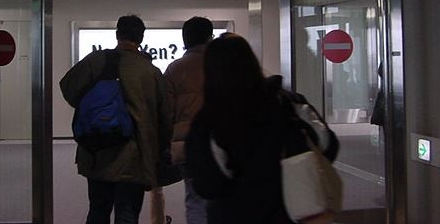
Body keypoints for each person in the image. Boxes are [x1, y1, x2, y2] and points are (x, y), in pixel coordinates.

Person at [185, 33, 337, 224]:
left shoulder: (208, 121)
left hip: (233, 215)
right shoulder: (288, 103)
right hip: (292, 212)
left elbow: (209, 185)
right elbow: (328, 145)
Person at [60, 15, 171, 224]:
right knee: (127, 214)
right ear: (141, 38)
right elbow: (165, 118)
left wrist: (94, 108)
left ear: (117, 34)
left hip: (96, 148)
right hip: (133, 157)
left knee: (98, 210)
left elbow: (68, 88)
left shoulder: (95, 60)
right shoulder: (151, 71)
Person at [164, 16, 213, 224]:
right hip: (219, 140)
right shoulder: (220, 65)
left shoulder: (175, 69)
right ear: (210, 38)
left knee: (195, 199)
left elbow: (167, 112)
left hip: (188, 145)